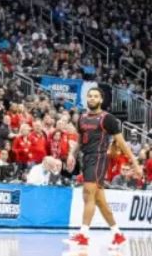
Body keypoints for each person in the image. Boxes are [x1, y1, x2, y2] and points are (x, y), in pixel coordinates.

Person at [65, 88, 142, 249]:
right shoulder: (82, 118)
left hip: (99, 158)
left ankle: (83, 235)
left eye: (95, 96)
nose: (92, 99)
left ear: (100, 100)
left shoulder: (108, 119)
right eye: (90, 96)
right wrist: (72, 154)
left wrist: (135, 164)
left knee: (87, 193)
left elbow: (121, 143)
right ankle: (118, 234)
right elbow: (79, 141)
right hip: (86, 159)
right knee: (99, 201)